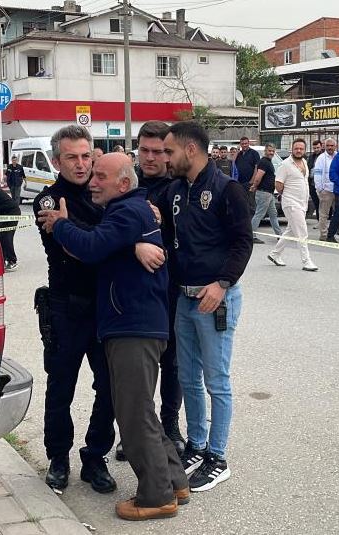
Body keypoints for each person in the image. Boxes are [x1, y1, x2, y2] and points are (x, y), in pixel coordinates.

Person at [40, 152, 189, 521]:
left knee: (133, 413)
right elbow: (103, 243)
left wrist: (60, 223)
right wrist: (130, 247)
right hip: (133, 323)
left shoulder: (127, 211)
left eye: (100, 175)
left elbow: (90, 246)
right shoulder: (131, 210)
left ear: (123, 183)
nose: (91, 179)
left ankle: (156, 496)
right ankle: (174, 480)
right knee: (140, 409)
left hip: (132, 326)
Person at [158, 121, 252, 493]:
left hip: (216, 297)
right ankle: (196, 446)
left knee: (216, 380)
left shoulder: (227, 189)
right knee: (187, 378)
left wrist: (222, 283)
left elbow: (243, 242)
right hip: (184, 297)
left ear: (190, 150)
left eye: (169, 152)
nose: (165, 158)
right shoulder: (176, 190)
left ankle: (218, 456)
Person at [32, 125, 117, 494]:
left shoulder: (104, 191)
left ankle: (95, 457)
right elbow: (79, 249)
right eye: (72, 157)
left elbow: (102, 241)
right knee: (61, 387)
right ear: (56, 160)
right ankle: (58, 457)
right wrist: (93, 235)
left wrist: (81, 231)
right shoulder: (48, 201)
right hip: (67, 306)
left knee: (110, 386)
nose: (81, 165)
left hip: (104, 305)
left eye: (86, 156)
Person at [115, 120, 187, 462]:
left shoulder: (178, 188)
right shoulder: (126, 184)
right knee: (135, 373)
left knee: (173, 364)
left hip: (171, 290)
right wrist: (135, 241)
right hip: (133, 295)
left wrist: (164, 222)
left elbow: (192, 238)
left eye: (158, 152)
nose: (150, 158)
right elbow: (108, 231)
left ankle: (170, 428)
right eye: (144, 150)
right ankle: (133, 433)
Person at [267, 139, 318, 272]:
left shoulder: (304, 162)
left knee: (290, 231)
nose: (298, 150)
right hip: (291, 203)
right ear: (292, 149)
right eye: (296, 148)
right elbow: (278, 185)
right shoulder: (285, 165)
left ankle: (275, 254)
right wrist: (287, 195)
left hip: (302, 203)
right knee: (302, 233)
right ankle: (307, 261)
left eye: (301, 148)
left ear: (304, 150)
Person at [313, 138, 339, 241]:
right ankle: (324, 234)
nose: (330, 147)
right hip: (326, 191)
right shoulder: (321, 158)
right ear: (325, 146)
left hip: (338, 190)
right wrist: (320, 189)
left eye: (332, 146)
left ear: (335, 146)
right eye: (328, 145)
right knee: (324, 214)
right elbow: (317, 174)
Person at [249, 143, 282, 244]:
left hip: (269, 193)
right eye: (269, 151)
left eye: (273, 151)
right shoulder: (264, 162)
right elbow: (258, 177)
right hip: (264, 193)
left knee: (273, 214)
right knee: (259, 214)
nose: (271, 153)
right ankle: (251, 236)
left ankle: (279, 235)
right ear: (265, 151)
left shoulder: (268, 162)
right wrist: (254, 186)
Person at [234, 137, 260, 212]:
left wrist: (252, 181)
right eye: (242, 144)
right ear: (240, 144)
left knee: (251, 204)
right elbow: (232, 163)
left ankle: (252, 223)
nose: (244, 145)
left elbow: (256, 167)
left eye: (246, 143)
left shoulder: (254, 153)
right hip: (239, 183)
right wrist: (237, 151)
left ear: (248, 143)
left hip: (249, 183)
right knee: (240, 204)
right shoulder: (239, 154)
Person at [306, 139, 323, 219]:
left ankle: (325, 220)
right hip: (312, 183)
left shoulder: (324, 156)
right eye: (315, 148)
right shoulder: (311, 157)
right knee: (316, 203)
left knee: (323, 203)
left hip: (322, 183)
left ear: (321, 147)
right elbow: (308, 167)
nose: (316, 149)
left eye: (318, 147)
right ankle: (319, 220)